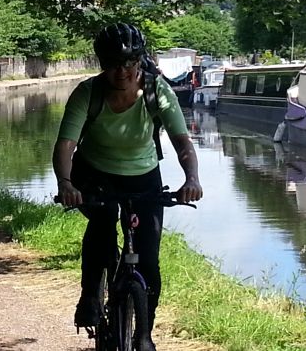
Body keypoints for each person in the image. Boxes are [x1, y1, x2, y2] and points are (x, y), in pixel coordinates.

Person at [52, 23, 203, 350]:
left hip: (143, 175)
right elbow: (65, 146)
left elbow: (182, 142)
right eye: (112, 64)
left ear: (139, 61)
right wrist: (65, 183)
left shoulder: (156, 91)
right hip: (94, 173)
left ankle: (144, 334)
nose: (121, 71)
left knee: (148, 260)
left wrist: (191, 178)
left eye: (129, 63)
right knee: (103, 223)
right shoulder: (88, 93)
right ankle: (90, 295)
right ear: (102, 64)